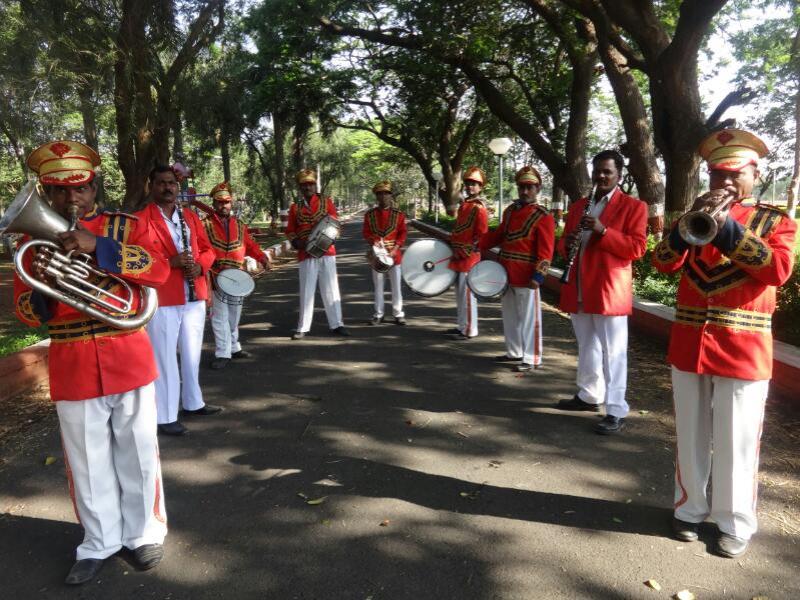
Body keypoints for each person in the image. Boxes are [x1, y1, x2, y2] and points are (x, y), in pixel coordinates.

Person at [12, 140, 169, 584]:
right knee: (86, 458)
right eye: (59, 191)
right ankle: (98, 541)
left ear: (94, 187)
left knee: (138, 451)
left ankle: (144, 533)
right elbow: (25, 311)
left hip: (127, 351)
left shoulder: (124, 226)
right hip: (73, 359)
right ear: (46, 193)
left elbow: (158, 271)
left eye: (79, 188)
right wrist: (45, 287)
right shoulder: (30, 242)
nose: (71, 198)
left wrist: (99, 247)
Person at [652, 129, 797, 558]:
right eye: (718, 174)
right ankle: (689, 509)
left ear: (756, 175)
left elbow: (778, 271)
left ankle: (734, 522)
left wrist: (728, 228)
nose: (726, 182)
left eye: (736, 174)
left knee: (737, 440)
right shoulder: (691, 215)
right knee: (690, 433)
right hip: (689, 342)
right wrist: (685, 228)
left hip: (743, 348)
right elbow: (662, 263)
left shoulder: (777, 222)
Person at [555, 150, 647, 435]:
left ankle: (616, 409)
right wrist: (568, 242)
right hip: (579, 286)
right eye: (597, 171)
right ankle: (589, 395)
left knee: (614, 352)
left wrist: (603, 231)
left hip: (608, 289)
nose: (601, 176)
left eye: (607, 171)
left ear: (619, 174)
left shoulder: (633, 206)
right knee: (587, 346)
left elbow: (637, 248)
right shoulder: (578, 206)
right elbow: (563, 245)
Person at [139, 165, 221, 436]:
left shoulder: (190, 217)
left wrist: (200, 266)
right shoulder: (141, 219)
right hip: (164, 296)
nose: (168, 187)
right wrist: (169, 262)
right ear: (151, 186)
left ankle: (193, 402)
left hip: (193, 293)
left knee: (192, 352)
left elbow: (208, 249)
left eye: (172, 183)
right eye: (161, 183)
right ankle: (165, 415)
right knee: (164, 357)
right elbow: (137, 258)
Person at [480, 166, 555, 372]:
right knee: (510, 315)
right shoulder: (510, 211)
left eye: (530, 187)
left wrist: (539, 275)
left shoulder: (543, 216)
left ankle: (532, 357)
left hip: (527, 275)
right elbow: (498, 236)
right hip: (505, 272)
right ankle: (514, 351)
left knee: (530, 318)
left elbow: (546, 251)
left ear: (538, 189)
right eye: (522, 187)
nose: (525, 191)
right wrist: (477, 242)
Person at [202, 182, 272, 369]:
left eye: (226, 202)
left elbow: (251, 246)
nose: (223, 205)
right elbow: (200, 249)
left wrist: (263, 259)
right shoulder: (204, 225)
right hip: (215, 276)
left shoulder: (240, 226)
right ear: (214, 203)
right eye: (219, 202)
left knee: (234, 315)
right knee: (219, 316)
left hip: (237, 278)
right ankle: (222, 353)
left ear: (231, 203)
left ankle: (234, 347)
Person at [285, 168, 348, 339]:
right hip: (306, 254)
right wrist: (296, 241)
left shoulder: (326, 202)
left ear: (315, 185)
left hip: (327, 252)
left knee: (331, 289)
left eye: (311, 184)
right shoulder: (295, 208)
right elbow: (290, 230)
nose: (308, 187)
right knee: (306, 291)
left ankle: (337, 324)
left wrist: (332, 237)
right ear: (300, 187)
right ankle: (303, 327)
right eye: (304, 185)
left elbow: (335, 223)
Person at [448, 166, 489, 340]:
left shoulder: (479, 208)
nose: (470, 186)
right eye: (468, 183)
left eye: (474, 184)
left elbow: (482, 235)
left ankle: (470, 329)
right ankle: (461, 326)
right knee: (459, 295)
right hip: (458, 256)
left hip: (469, 257)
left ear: (480, 187)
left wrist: (466, 250)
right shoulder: (464, 205)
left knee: (468, 296)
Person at [362, 180, 408, 326]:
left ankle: (398, 313)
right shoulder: (369, 215)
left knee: (396, 286)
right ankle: (378, 314)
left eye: (386, 193)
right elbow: (366, 232)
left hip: (394, 255)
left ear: (390, 195)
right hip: (377, 255)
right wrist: (373, 241)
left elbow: (402, 233)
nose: (383, 196)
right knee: (378, 286)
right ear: (376, 196)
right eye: (380, 194)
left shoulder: (399, 215)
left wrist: (395, 249)